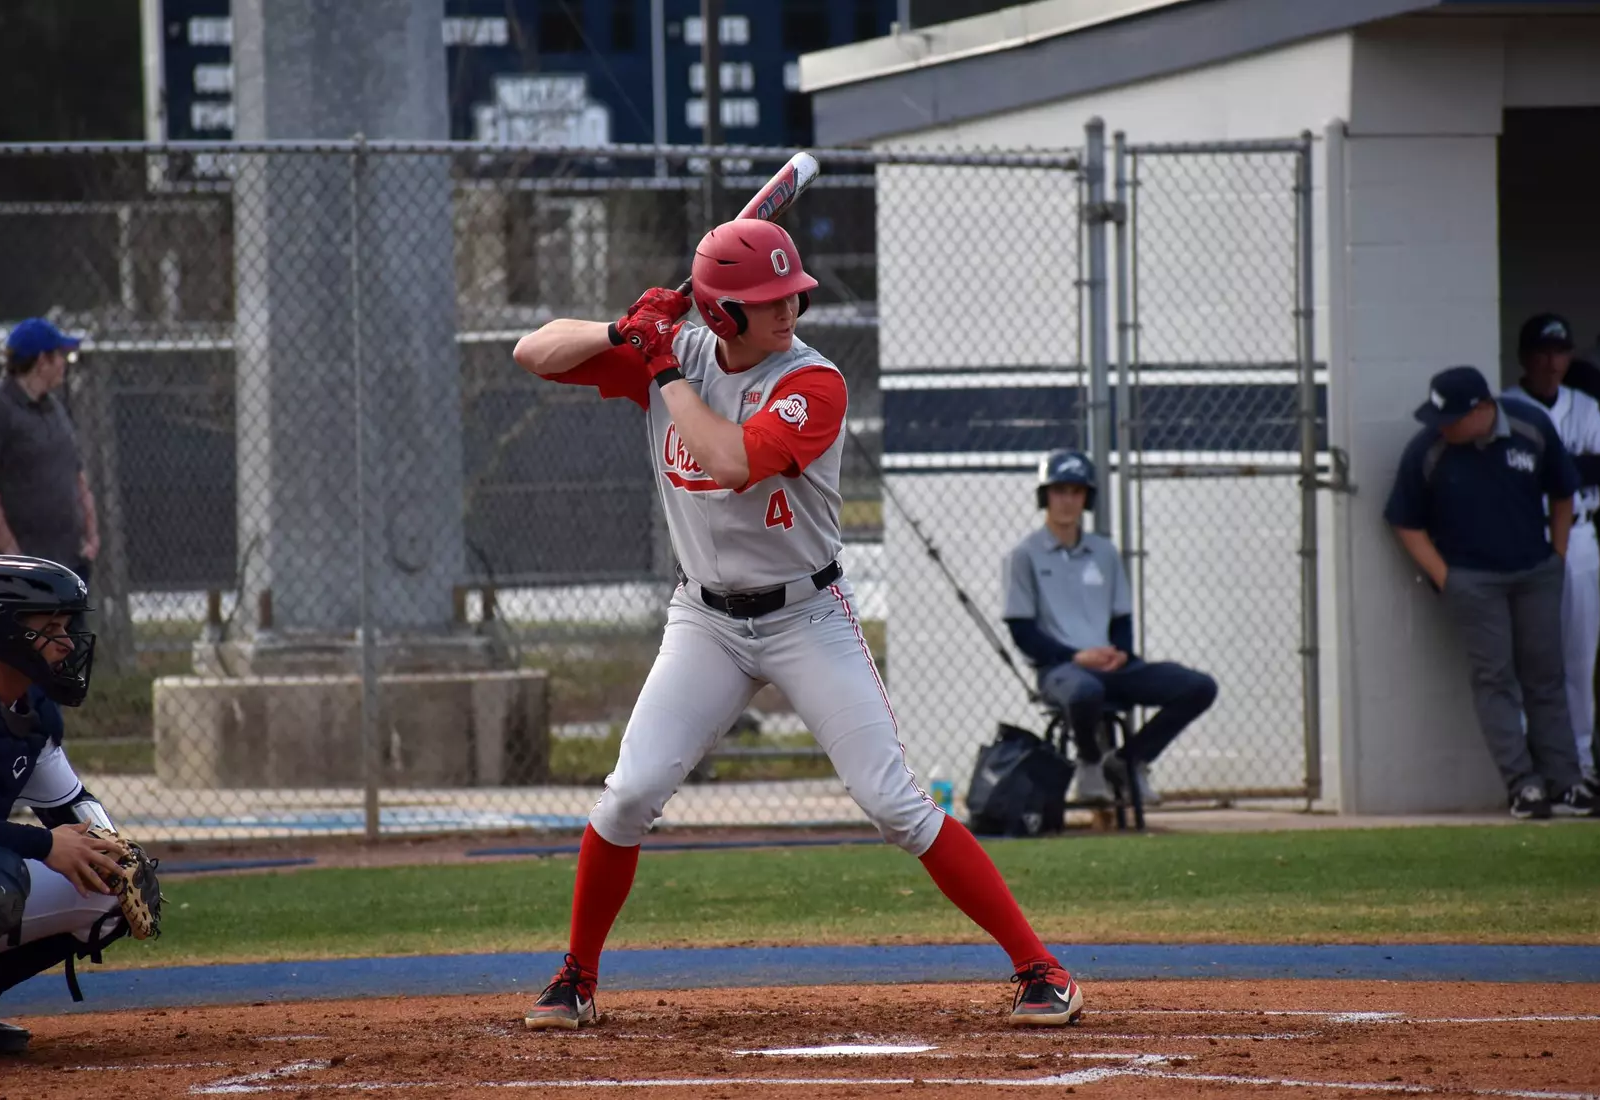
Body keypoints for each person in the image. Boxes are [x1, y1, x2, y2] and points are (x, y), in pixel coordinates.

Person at [511, 218, 1083, 1031]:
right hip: (703, 619)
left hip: (805, 614)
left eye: (791, 295)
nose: (788, 310)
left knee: (893, 804)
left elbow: (729, 462)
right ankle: (575, 978)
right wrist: (621, 330)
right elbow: (531, 352)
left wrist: (662, 360)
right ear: (721, 315)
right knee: (630, 793)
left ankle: (1041, 970)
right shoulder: (674, 347)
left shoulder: (813, 382)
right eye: (766, 301)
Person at [0, 554, 152, 1053]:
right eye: (51, 627)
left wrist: (117, 850)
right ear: (3, 632)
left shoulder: (27, 713)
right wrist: (42, 845)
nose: (66, 643)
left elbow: (75, 810)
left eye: (67, 626)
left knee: (109, 878)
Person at [1384, 365, 1593, 819]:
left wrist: (1556, 559)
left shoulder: (1529, 428)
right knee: (1495, 678)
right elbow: (1404, 519)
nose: (1444, 427)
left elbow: (1563, 491)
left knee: (1546, 675)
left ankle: (1566, 782)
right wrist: (1447, 577)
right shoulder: (1428, 450)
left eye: (1453, 417)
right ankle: (1523, 785)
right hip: (1474, 581)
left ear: (1483, 410)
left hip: (1534, 571)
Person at [1001, 449, 1218, 806]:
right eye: (1059, 491)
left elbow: (1121, 619)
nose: (1067, 501)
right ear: (1045, 496)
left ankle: (1128, 761)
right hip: (1061, 669)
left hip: (1110, 664)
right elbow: (1022, 631)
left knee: (1198, 687)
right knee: (1085, 692)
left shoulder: (1104, 552)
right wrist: (1076, 656)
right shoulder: (1024, 555)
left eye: (1076, 491)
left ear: (1087, 497)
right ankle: (1089, 762)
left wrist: (1120, 653)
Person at [1504, 314, 1600, 793]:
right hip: (1523, 537)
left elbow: (1598, 468)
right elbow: (1512, 476)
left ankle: (1581, 761)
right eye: (1542, 352)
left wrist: (1551, 463)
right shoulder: (1506, 406)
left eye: (1559, 352)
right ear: (1525, 356)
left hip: (1580, 537)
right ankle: (1536, 767)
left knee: (1579, 658)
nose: (1551, 362)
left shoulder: (1585, 407)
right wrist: (1570, 463)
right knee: (1531, 658)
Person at [0, 319, 99, 584]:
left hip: (65, 563)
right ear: (42, 361)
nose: (66, 363)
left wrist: (91, 536)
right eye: (60, 355)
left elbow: (76, 474)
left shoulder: (53, 409)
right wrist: (12, 554)